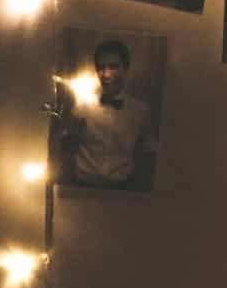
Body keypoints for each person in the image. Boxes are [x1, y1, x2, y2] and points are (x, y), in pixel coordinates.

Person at [57, 40, 156, 191]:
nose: (106, 74)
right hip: (81, 186)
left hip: (124, 189)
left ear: (126, 69)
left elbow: (149, 151)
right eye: (101, 68)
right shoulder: (82, 104)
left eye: (113, 66)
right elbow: (66, 144)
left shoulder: (141, 110)